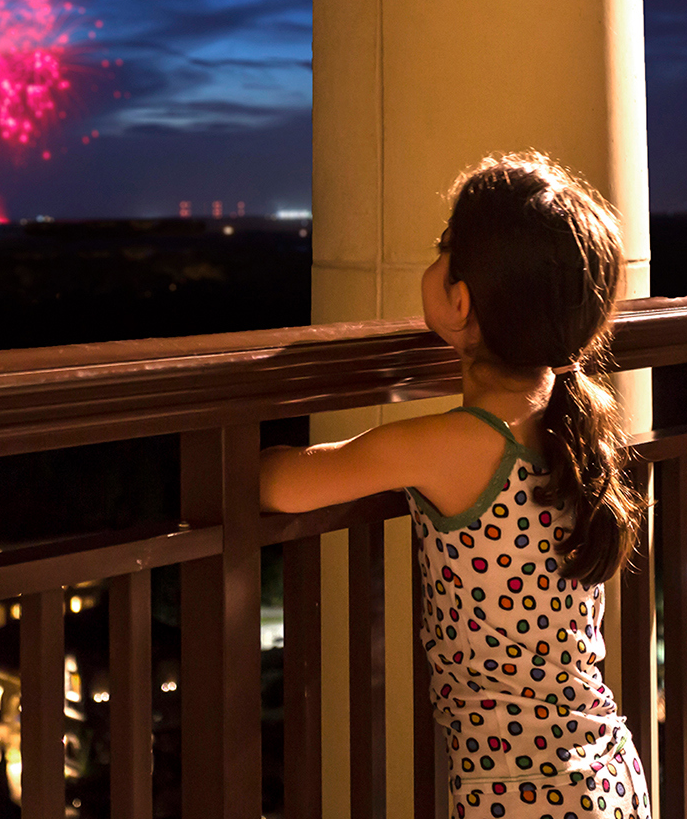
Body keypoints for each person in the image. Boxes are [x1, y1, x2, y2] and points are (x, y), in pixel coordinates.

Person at [260, 152, 650, 818]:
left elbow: (281, 485)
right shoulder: (571, 423)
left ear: (461, 300)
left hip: (523, 798)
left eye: (447, 250)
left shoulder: (451, 444)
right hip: (605, 772)